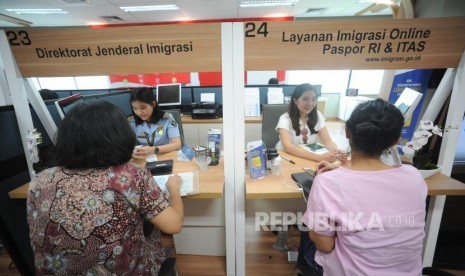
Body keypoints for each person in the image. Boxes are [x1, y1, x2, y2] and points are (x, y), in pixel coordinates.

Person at [27, 100, 184, 275]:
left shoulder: (39, 180)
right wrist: (174, 188)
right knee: (152, 232)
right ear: (120, 136)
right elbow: (174, 225)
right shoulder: (129, 176)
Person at [302, 99, 427, 275]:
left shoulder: (327, 183)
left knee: (309, 229)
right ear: (395, 141)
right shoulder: (414, 177)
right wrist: (343, 170)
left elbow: (325, 247)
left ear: (347, 132)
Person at [276, 83, 344, 163]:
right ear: (295, 100)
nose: (310, 103)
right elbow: (288, 147)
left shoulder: (318, 115)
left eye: (313, 99)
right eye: (305, 99)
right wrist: (318, 157)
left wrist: (337, 151)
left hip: (309, 158)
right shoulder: (285, 119)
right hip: (288, 158)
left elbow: (327, 141)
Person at [129, 87, 181, 157]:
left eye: (142, 108)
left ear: (153, 104)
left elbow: (177, 145)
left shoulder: (167, 118)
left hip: (164, 155)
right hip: (143, 159)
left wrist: (154, 150)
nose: (139, 112)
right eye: (135, 108)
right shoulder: (132, 122)